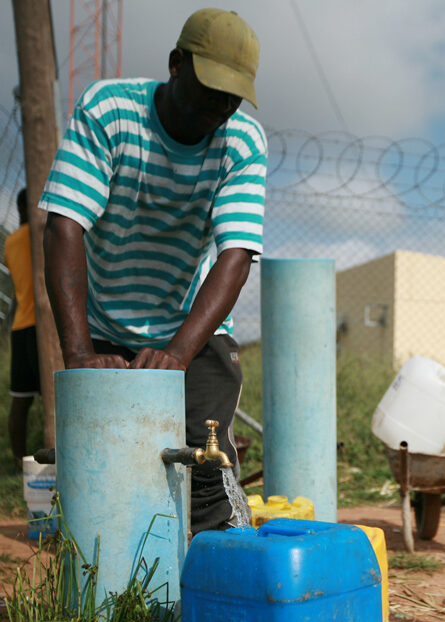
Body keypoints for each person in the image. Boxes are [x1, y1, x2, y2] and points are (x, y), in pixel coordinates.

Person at [39, 8, 266, 533]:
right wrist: (79, 354)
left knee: (206, 466)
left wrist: (179, 354)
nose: (221, 107)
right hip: (105, 323)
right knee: (107, 467)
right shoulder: (111, 110)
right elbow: (65, 225)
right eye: (212, 89)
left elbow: (235, 256)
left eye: (234, 97)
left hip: (193, 330)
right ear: (175, 64)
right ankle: (113, 583)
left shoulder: (242, 142)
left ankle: (213, 575)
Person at [6, 188, 40, 469]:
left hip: (20, 326)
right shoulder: (39, 235)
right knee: (53, 396)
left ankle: (19, 461)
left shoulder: (10, 242)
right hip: (42, 326)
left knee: (21, 399)